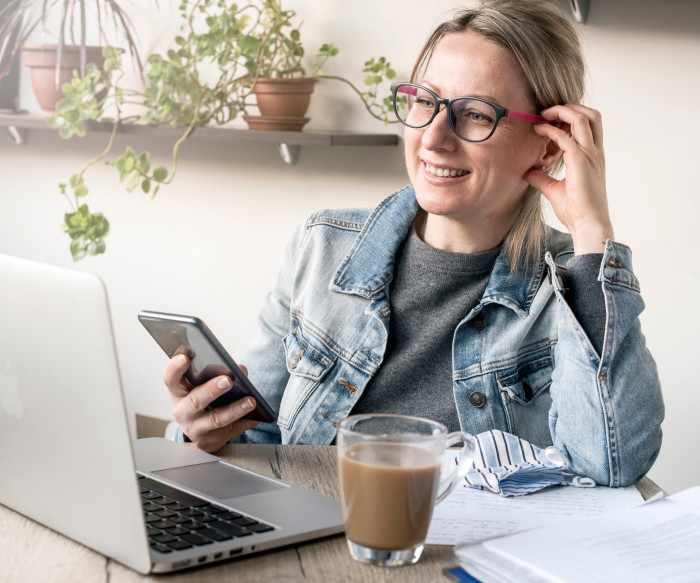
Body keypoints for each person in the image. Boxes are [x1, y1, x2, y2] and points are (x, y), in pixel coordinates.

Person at [163, 0, 664, 487]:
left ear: (550, 143)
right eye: (425, 101)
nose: (434, 137)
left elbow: (608, 466)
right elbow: (260, 438)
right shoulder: (320, 246)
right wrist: (202, 434)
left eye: (474, 114)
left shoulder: (570, 286)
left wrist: (592, 232)